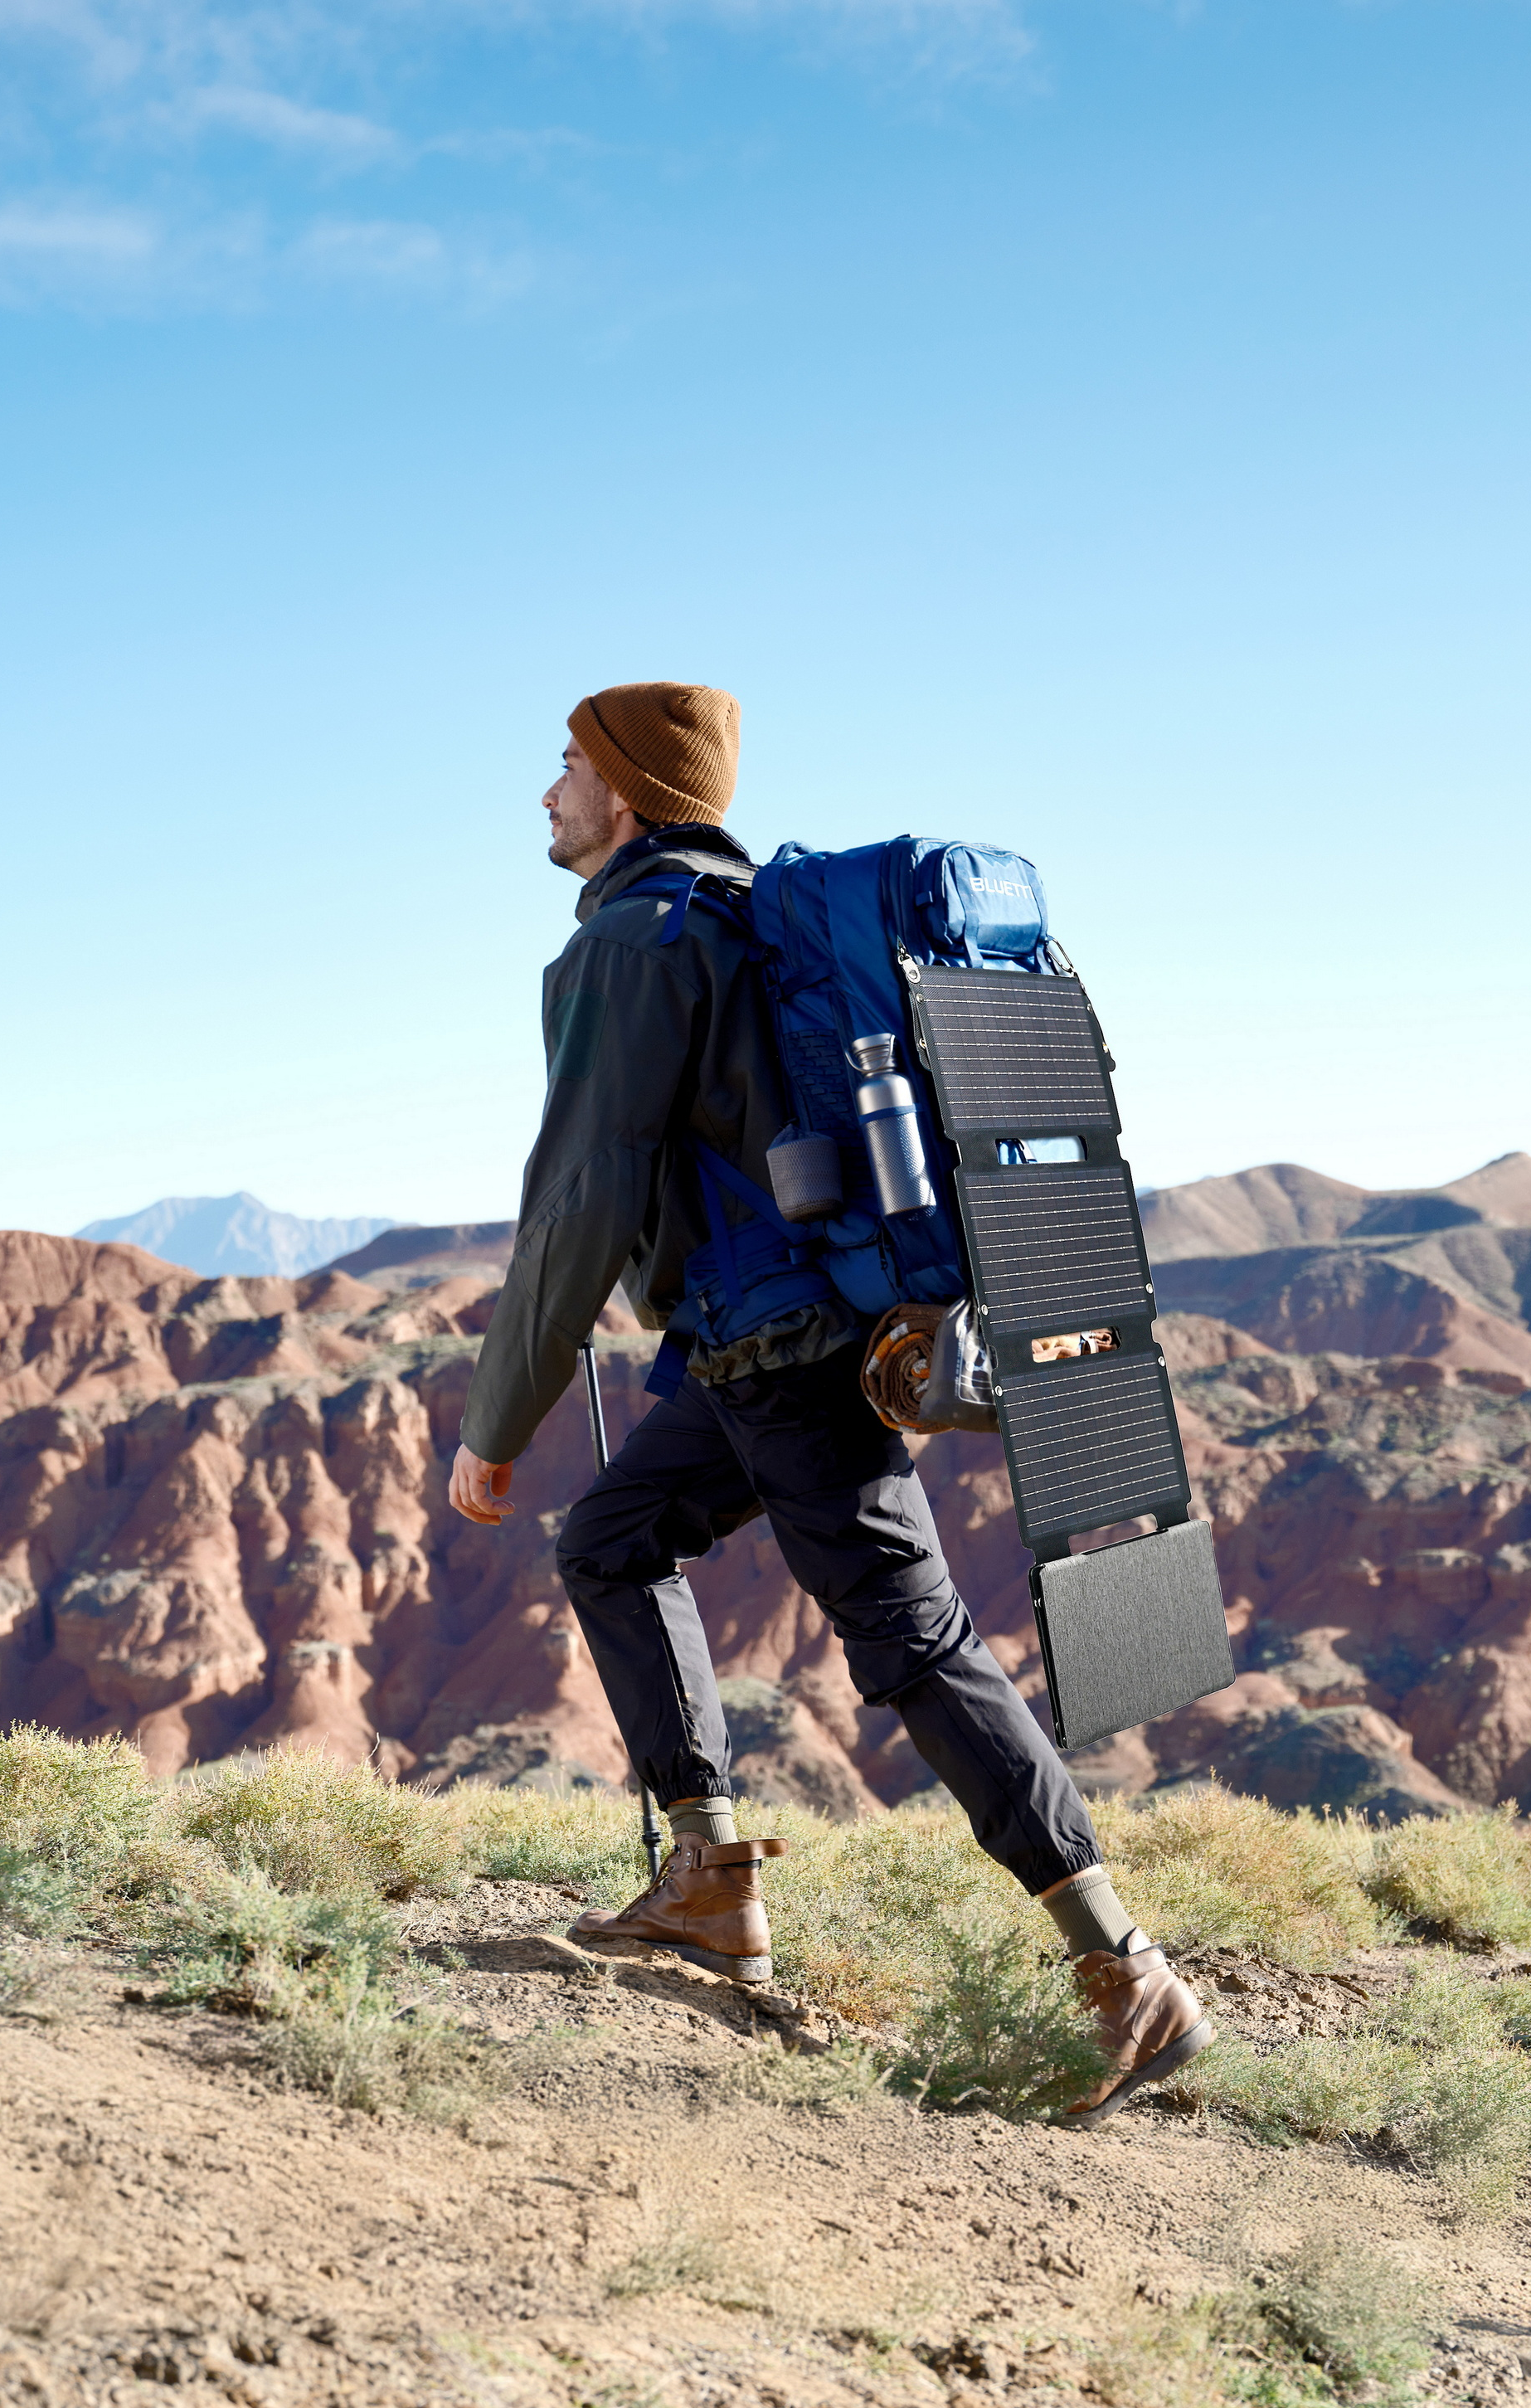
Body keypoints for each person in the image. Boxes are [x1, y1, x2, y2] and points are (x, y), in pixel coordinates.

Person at [444, 681, 1212, 2123]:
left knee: (911, 1639)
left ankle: (1127, 1972)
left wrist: (499, 1421)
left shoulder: (642, 939)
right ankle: (712, 1882)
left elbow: (580, 1197)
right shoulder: (747, 918)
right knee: (611, 1537)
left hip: (780, 1355)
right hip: (759, 1346)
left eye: (566, 768)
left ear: (631, 793)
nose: (546, 793)